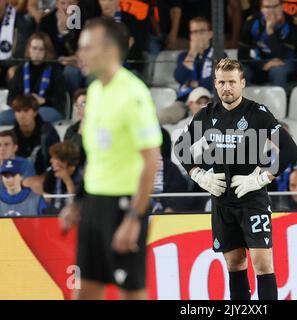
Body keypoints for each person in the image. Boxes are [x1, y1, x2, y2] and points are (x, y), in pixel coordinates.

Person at [174, 58, 297, 300]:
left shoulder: (257, 114)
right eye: (221, 82)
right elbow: (181, 147)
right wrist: (197, 174)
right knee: (234, 263)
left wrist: (264, 177)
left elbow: (290, 150)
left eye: (232, 82)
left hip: (252, 198)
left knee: (262, 262)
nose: (226, 87)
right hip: (222, 200)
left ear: (242, 83)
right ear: (215, 84)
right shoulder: (206, 115)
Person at [59, 17, 162, 300]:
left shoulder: (133, 93)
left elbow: (151, 161)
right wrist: (78, 202)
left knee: (132, 293)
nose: (80, 55)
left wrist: (133, 218)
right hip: (94, 204)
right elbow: (95, 156)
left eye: (87, 48)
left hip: (124, 205)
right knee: (87, 289)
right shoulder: (94, 91)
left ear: (110, 50)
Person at [157, 17, 217, 125]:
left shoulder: (219, 54)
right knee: (158, 117)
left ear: (210, 34)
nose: (197, 35)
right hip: (185, 102)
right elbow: (180, 77)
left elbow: (213, 82)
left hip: (209, 101)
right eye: (194, 32)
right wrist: (192, 53)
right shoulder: (184, 56)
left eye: (201, 31)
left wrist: (194, 83)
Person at [239, 0, 297, 87]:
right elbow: (242, 55)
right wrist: (263, 64)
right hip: (260, 62)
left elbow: (282, 55)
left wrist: (270, 31)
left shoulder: (292, 23)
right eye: (267, 7)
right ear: (261, 9)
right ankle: (248, 99)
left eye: (275, 6)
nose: (271, 10)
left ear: (281, 7)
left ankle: (277, 100)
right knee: (241, 71)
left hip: (286, 62)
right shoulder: (252, 22)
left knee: (277, 71)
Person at [6, 32, 67, 123]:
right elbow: (10, 98)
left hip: (46, 108)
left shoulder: (55, 70)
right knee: (3, 117)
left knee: (34, 117)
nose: (37, 52)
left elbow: (61, 99)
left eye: (41, 49)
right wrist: (22, 102)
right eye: (34, 48)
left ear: (46, 51)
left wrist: (44, 101)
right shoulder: (20, 69)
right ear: (29, 49)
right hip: (22, 109)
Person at [38, 0, 85, 95]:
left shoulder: (83, 20)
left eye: (71, 3)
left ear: (77, 4)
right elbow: (43, 48)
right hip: (52, 62)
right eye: (63, 3)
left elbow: (82, 49)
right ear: (56, 4)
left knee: (71, 71)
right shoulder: (46, 21)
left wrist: (66, 33)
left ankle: (73, 102)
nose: (66, 7)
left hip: (74, 64)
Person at [24, 141, 83, 211]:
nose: (51, 161)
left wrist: (67, 180)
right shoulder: (51, 174)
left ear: (64, 160)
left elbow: (75, 203)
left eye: (54, 158)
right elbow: (46, 201)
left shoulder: (81, 175)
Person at [11, 94, 60, 175]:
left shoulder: (48, 132)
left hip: (44, 175)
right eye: (18, 111)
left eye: (26, 111)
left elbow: (56, 159)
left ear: (35, 112)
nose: (22, 116)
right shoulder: (11, 135)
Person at [64, 88, 86, 166]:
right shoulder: (71, 130)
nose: (79, 108)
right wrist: (80, 134)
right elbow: (69, 155)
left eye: (83, 104)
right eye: (76, 105)